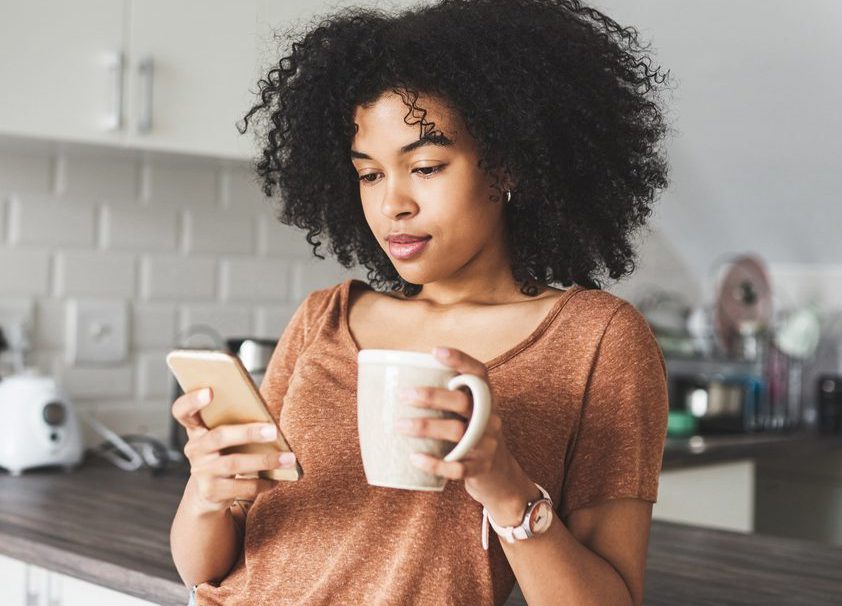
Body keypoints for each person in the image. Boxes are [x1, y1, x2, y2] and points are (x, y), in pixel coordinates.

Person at [170, 0, 673, 604]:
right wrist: (207, 489)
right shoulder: (323, 319)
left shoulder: (597, 341)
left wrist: (505, 487)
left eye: (426, 166)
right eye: (371, 175)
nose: (392, 205)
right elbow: (205, 568)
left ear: (507, 165)